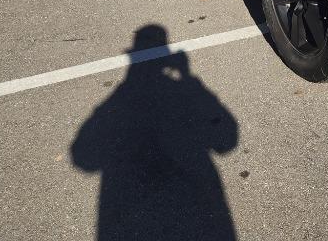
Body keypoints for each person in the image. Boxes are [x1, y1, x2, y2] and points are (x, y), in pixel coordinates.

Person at [71, 25, 238, 241]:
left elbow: (83, 158)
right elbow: (227, 141)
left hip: (128, 221)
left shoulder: (117, 99)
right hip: (202, 215)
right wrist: (188, 78)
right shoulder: (188, 90)